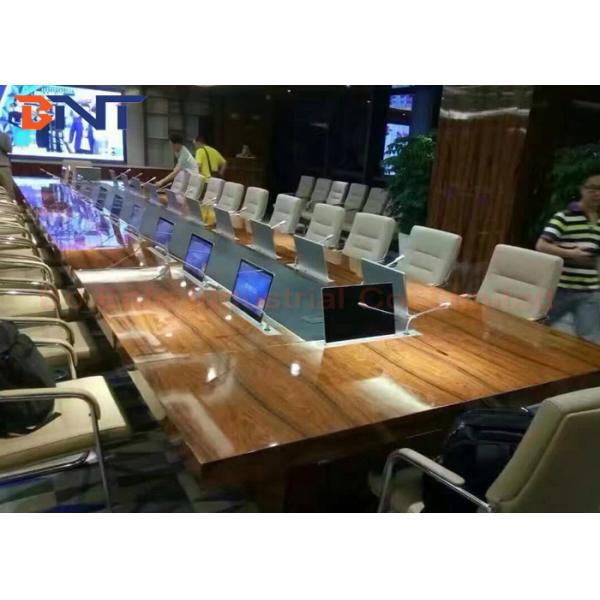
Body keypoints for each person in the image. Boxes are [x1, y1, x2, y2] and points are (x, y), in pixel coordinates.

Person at [536, 173, 600, 343]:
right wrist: (571, 254)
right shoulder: (564, 217)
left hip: (590, 291)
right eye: (593, 188)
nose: (597, 193)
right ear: (582, 190)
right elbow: (541, 245)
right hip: (559, 289)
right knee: (535, 328)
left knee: (590, 341)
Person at [0, 129, 15, 197]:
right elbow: (9, 149)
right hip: (3, 166)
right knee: (9, 192)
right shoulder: (4, 135)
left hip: (3, 166)